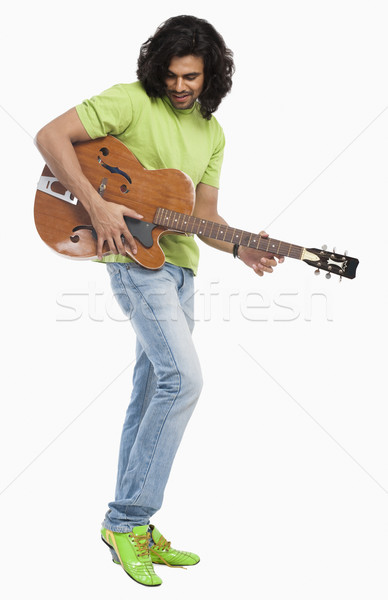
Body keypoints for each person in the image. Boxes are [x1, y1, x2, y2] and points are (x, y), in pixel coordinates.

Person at [34, 15, 283, 587]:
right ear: (157, 70)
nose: (179, 86)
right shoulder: (129, 102)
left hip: (180, 271)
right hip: (133, 262)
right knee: (183, 381)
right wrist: (98, 208)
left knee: (151, 390)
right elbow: (50, 137)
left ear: (210, 75)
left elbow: (205, 217)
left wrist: (241, 248)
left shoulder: (212, 134)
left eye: (191, 76)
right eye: (171, 75)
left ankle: (129, 527)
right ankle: (129, 521)